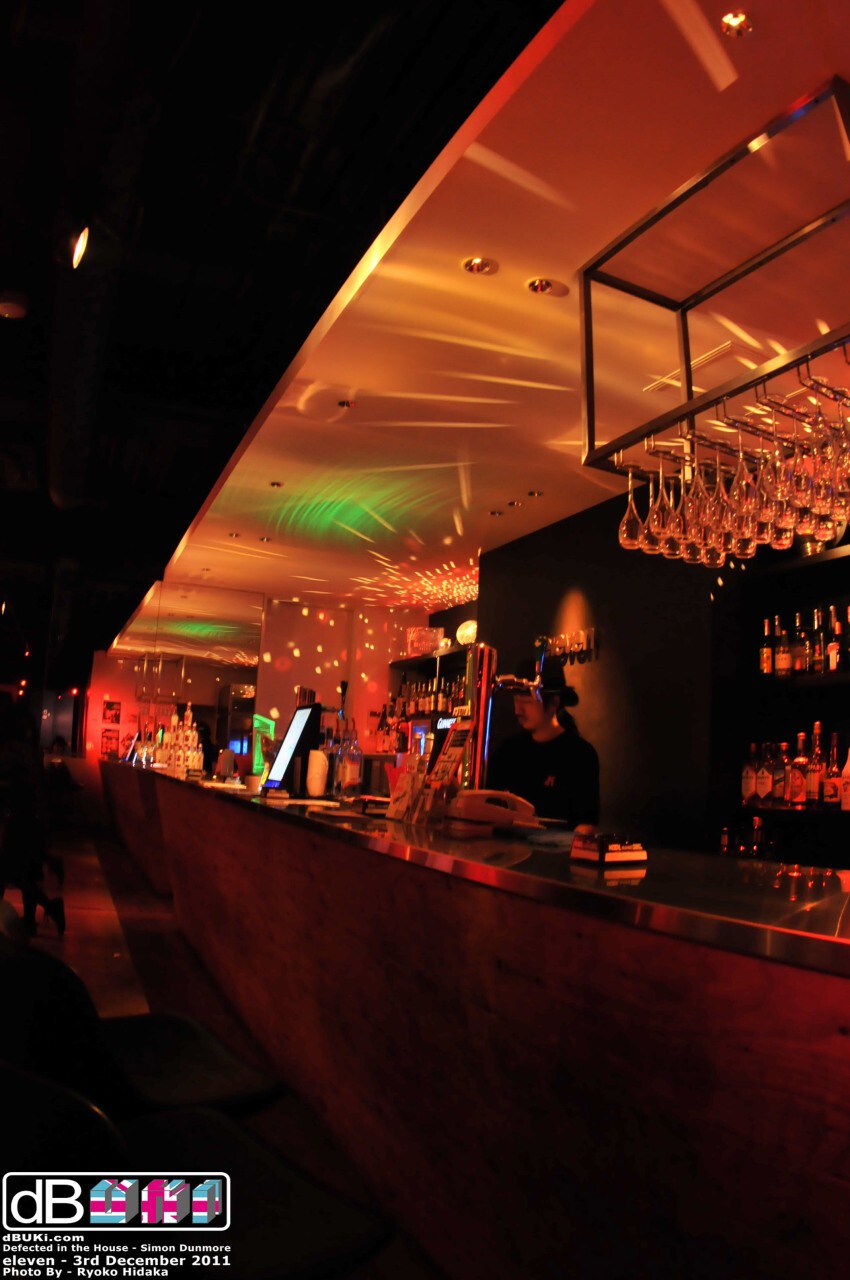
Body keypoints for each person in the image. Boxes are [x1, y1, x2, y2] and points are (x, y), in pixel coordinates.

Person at [487, 654, 600, 832]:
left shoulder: (580, 756)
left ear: (554, 702)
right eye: (516, 700)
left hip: (558, 849)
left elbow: (586, 825)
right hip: (508, 848)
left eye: (526, 701)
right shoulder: (508, 751)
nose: (517, 710)